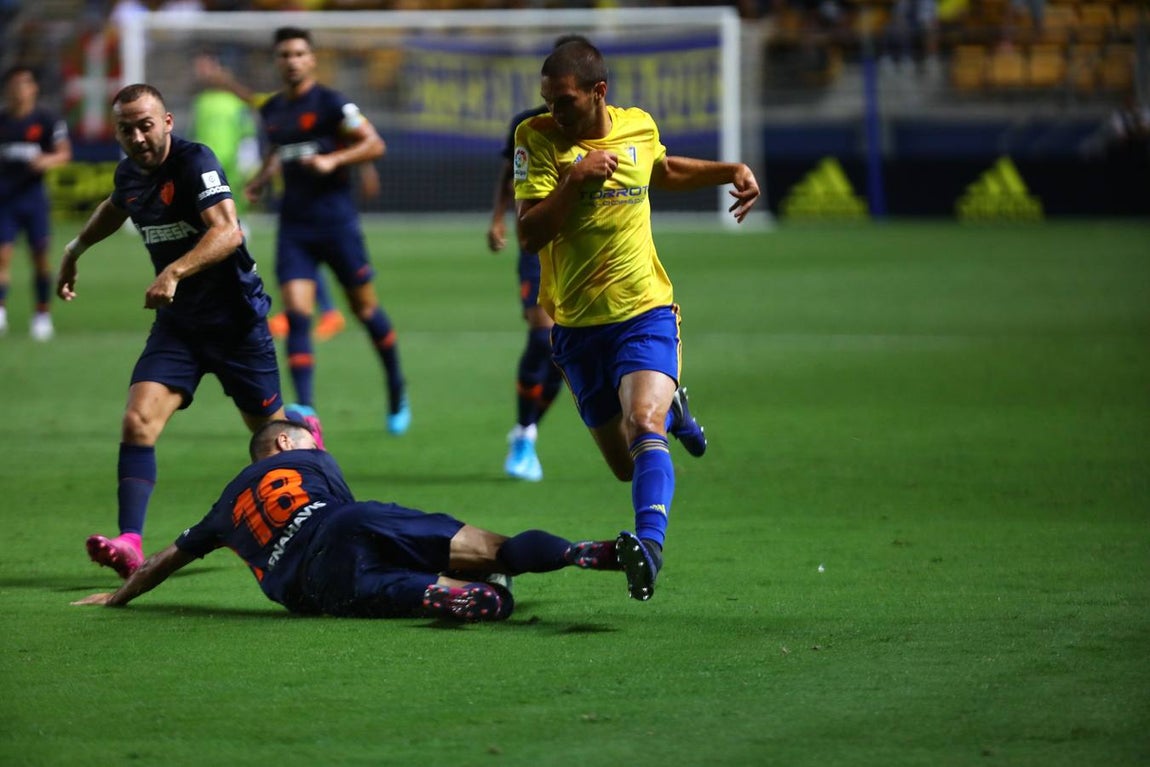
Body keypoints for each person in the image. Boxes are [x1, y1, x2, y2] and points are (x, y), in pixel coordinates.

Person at [514, 39, 760, 601]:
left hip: (642, 310)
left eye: (566, 102)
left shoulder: (637, 127)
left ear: (599, 92)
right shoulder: (536, 140)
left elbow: (662, 169)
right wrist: (576, 180)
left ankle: (648, 548)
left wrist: (731, 169)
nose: (555, 112)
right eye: (549, 101)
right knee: (626, 466)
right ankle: (673, 407)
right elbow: (530, 235)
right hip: (576, 327)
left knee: (641, 424)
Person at [56, 83, 289, 579]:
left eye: (145, 124)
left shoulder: (193, 162)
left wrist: (173, 272)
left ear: (166, 121)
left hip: (235, 322)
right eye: (126, 128)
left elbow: (228, 232)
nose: (138, 136)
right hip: (180, 326)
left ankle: (319, 512)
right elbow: (116, 205)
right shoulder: (129, 174)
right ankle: (130, 542)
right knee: (137, 421)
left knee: (273, 438)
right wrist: (75, 249)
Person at [71, 420, 625, 621]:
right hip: (341, 527)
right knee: (498, 552)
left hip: (307, 589)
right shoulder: (309, 459)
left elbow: (167, 557)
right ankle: (575, 552)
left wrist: (118, 598)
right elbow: (354, 521)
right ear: (284, 443)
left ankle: (448, 595)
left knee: (450, 593)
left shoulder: (223, 508)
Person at [244, 27, 409, 437]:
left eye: (299, 53)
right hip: (295, 227)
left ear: (312, 59)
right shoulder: (271, 111)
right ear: (276, 61)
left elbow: (375, 145)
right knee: (298, 316)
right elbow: (278, 153)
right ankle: (306, 411)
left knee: (365, 310)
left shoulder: (333, 103)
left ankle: (396, 385)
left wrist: (335, 161)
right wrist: (262, 179)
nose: (292, 60)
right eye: (284, 54)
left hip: (337, 225)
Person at [485, 36, 589, 483]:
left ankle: (527, 429)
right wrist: (498, 219)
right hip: (539, 245)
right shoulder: (527, 126)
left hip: (587, 253)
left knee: (566, 353)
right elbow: (510, 176)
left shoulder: (608, 127)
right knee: (543, 336)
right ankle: (525, 433)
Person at [192, 52, 349, 344]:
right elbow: (253, 99)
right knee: (299, 255)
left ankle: (327, 312)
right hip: (288, 185)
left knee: (302, 253)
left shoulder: (314, 104)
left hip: (307, 189)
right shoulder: (279, 103)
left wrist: (225, 81)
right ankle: (310, 311)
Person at [0, 65, 72, 340]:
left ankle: (42, 313)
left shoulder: (46, 119)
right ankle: (1, 311)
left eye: (24, 84)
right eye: (14, 84)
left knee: (40, 258)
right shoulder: (3, 120)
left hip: (33, 199)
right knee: (2, 255)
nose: (19, 90)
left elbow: (64, 154)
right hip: (5, 199)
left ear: (33, 88)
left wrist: (46, 160)